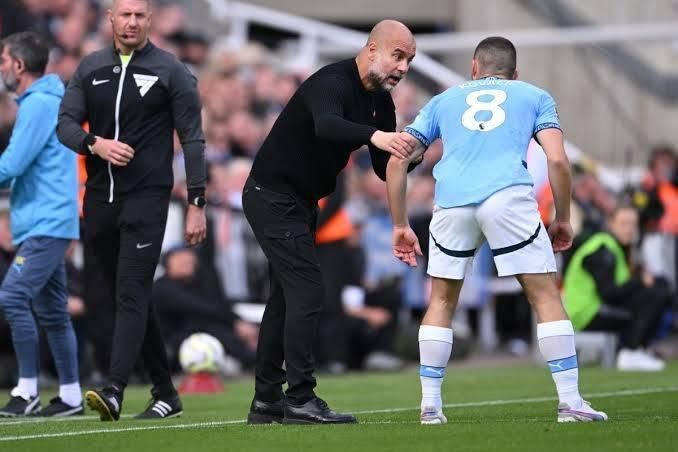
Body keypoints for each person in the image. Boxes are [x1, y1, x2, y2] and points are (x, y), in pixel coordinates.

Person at [385, 36, 608, 424]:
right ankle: (570, 402)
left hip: (452, 202)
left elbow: (397, 160)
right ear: (514, 73)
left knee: (441, 301)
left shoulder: (443, 100)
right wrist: (563, 218)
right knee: (544, 295)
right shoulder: (534, 96)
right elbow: (557, 160)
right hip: (507, 197)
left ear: (474, 67)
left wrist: (400, 223)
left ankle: (430, 406)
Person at [243, 20, 417, 425]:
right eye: (398, 56)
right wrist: (376, 136)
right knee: (307, 289)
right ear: (372, 50)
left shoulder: (381, 102)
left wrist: (413, 151)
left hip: (301, 202)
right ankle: (300, 397)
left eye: (409, 60)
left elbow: (384, 167)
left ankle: (266, 401)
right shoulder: (331, 81)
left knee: (285, 298)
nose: (404, 67)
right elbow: (327, 124)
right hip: (271, 195)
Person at [56, 0, 207, 421]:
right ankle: (166, 392)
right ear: (110, 18)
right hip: (99, 201)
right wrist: (95, 145)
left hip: (147, 198)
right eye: (125, 14)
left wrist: (197, 203)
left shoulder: (171, 70)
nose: (132, 22)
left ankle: (115, 389)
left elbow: (193, 140)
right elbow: (65, 124)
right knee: (128, 296)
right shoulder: (90, 67)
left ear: (150, 20)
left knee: (131, 291)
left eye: (140, 15)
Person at [0, 31, 82, 417]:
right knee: (53, 312)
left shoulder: (37, 104)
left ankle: (27, 390)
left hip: (46, 222)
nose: (1, 68)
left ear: (18, 65)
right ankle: (70, 395)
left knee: (13, 297)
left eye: (3, 61)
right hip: (48, 220)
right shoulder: (47, 101)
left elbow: (13, 163)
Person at [563, 204, 670, 371]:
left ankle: (637, 350)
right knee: (653, 295)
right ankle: (630, 351)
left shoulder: (613, 246)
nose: (629, 229)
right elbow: (608, 293)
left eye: (633, 224)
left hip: (592, 309)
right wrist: (640, 281)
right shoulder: (602, 249)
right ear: (610, 224)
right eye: (624, 224)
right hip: (586, 313)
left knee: (659, 288)